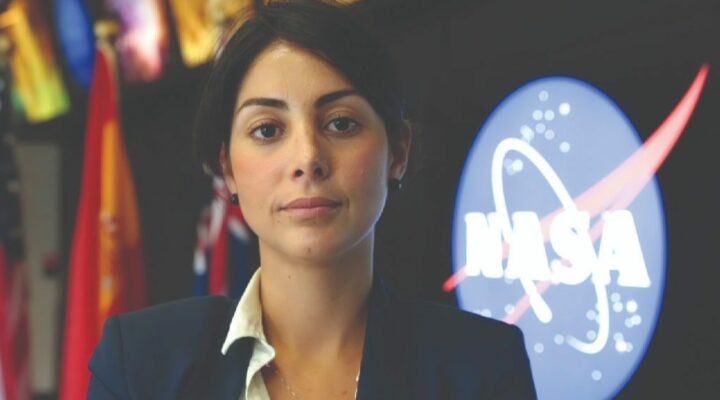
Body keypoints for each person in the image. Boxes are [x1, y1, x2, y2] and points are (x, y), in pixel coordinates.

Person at [87, 1, 537, 399]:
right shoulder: (139, 366)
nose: (307, 158)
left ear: (397, 152)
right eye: (267, 130)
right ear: (227, 167)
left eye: (341, 123)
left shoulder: (481, 368)